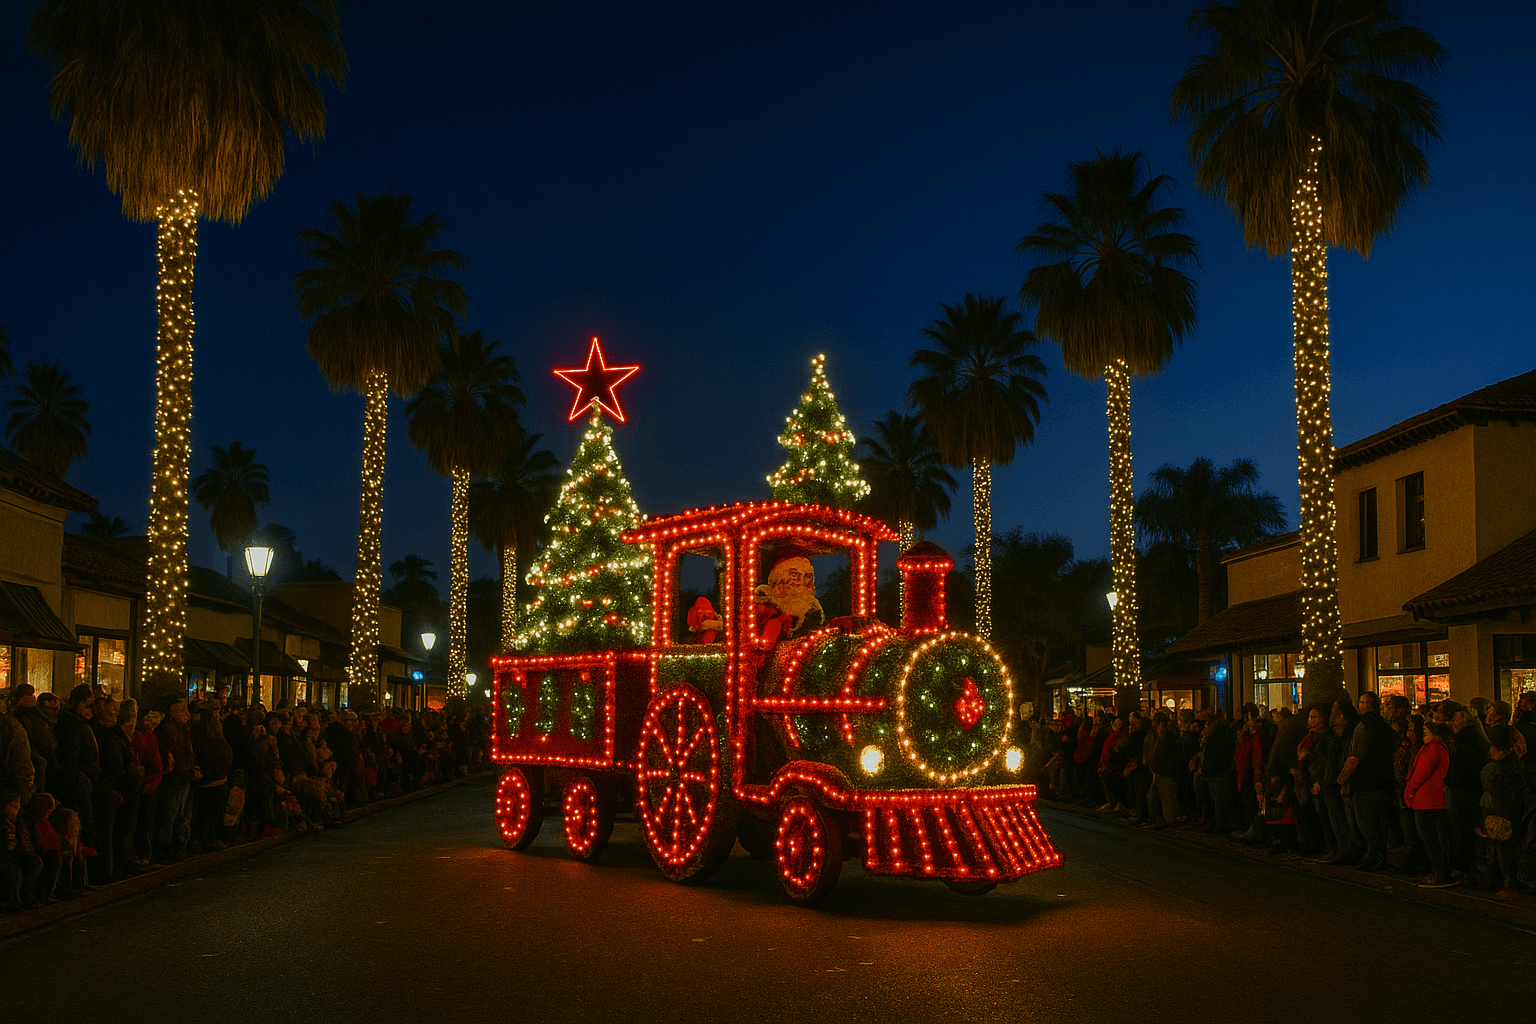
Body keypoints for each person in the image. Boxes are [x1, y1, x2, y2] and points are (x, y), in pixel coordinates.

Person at [1480, 725, 1527, 901]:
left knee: (1504, 850)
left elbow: (1495, 790)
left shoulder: (1497, 769)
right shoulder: (1517, 765)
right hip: (1506, 813)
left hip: (1500, 814)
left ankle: (1510, 884)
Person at [1405, 721, 1454, 888]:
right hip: (1430, 798)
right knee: (1434, 836)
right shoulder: (1439, 748)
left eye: (1426, 731)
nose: (1423, 734)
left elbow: (1422, 771)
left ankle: (1439, 872)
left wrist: (1410, 789)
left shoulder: (1433, 749)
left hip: (1427, 799)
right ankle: (1439, 871)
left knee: (1429, 837)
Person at [1444, 702, 1488, 881]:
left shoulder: (1467, 740)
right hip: (1464, 788)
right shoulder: (1468, 739)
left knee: (1462, 829)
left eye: (1455, 719)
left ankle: (1464, 866)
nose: (1453, 723)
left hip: (1464, 790)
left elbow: (1464, 766)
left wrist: (1452, 779)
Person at [1, 786, 42, 911]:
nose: (17, 809)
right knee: (13, 871)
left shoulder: (17, 823)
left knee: (34, 862)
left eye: (18, 805)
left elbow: (21, 845)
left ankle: (27, 895)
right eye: (13, 805)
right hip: (4, 858)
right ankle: (10, 902)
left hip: (13, 855)